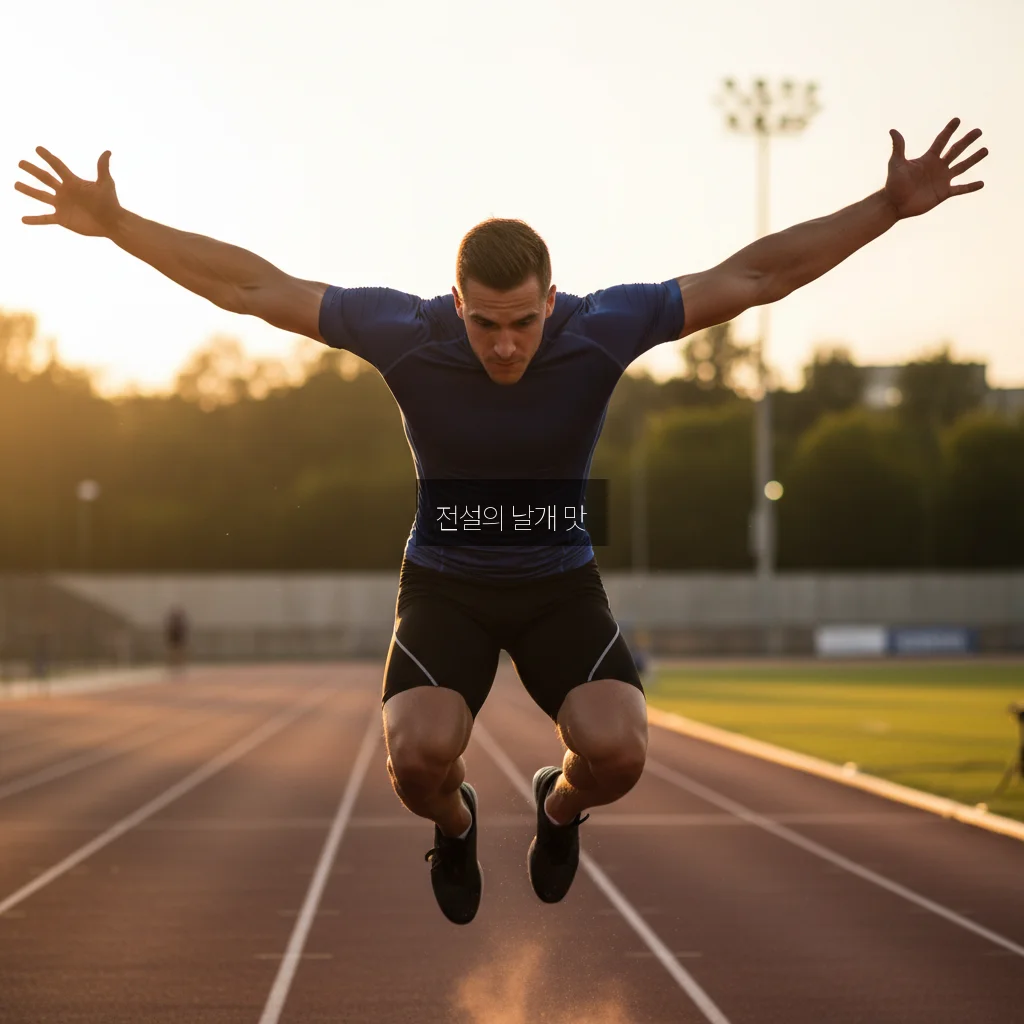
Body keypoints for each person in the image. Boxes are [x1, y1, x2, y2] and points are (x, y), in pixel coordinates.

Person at [15, 118, 987, 924]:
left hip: (560, 583)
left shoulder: (602, 328)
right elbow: (252, 287)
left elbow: (754, 277)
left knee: (619, 753)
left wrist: (887, 208)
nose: (506, 344)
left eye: (523, 320)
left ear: (551, 300)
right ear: (456, 303)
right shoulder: (404, 333)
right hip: (446, 586)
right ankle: (457, 826)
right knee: (418, 760)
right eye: (485, 323)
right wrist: (119, 225)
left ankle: (554, 810)